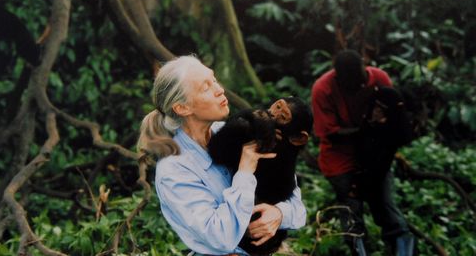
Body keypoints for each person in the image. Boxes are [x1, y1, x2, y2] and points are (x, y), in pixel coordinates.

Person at [138, 55, 306, 256]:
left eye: (214, 80)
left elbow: (296, 204)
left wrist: (279, 214)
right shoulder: (174, 170)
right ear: (183, 108)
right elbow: (221, 238)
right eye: (206, 87)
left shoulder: (227, 131)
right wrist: (245, 170)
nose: (220, 90)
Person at [311, 50, 414, 256]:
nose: (358, 88)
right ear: (338, 78)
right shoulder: (323, 89)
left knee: (386, 208)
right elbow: (330, 134)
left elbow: (396, 125)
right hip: (339, 158)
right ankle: (358, 250)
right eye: (351, 85)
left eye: (361, 81)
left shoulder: (379, 79)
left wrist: (382, 147)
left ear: (364, 67)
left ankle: (404, 249)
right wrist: (368, 127)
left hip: (374, 155)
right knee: (352, 214)